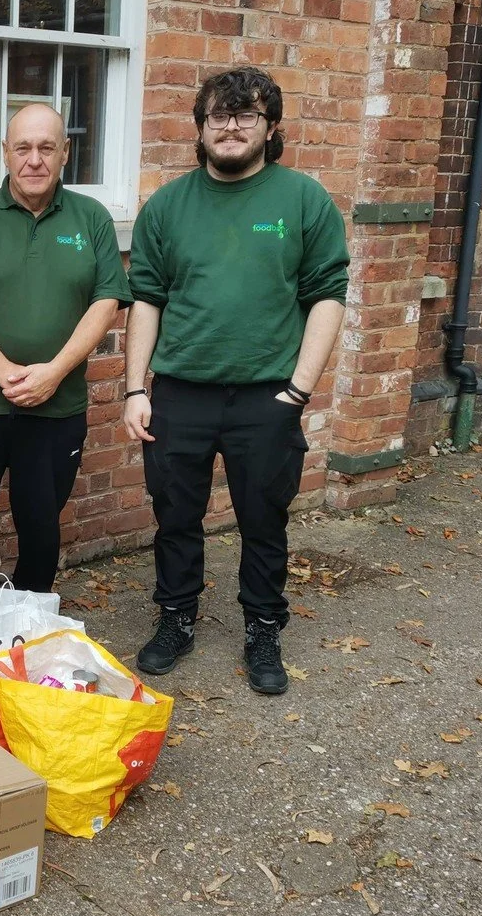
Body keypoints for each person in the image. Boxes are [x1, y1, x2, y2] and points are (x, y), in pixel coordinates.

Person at [122, 67, 350, 695]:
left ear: (270, 127)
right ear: (200, 127)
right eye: (219, 115)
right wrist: (136, 389)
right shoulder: (168, 205)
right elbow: (146, 299)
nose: (231, 126)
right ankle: (175, 617)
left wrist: (297, 391)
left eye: (247, 115)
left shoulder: (304, 201)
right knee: (174, 515)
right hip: (180, 394)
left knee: (263, 518)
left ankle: (263, 629)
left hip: (265, 398)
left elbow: (328, 297)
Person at [0, 103, 132, 593]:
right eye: (23, 148)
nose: (34, 160)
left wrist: (53, 373)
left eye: (46, 148)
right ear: (5, 154)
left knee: (41, 527)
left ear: (64, 154)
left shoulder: (91, 218)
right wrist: (4, 372)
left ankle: (30, 627)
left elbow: (107, 302)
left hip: (56, 410)